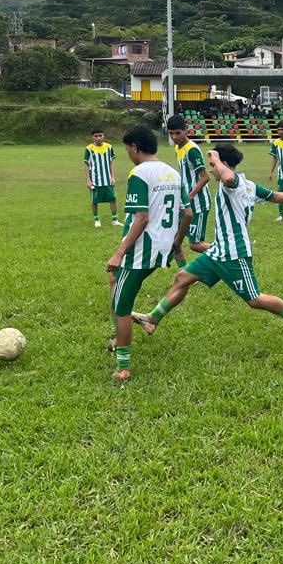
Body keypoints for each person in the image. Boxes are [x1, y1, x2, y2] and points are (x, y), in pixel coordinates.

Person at [132, 143, 283, 345]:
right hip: (217, 252)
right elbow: (276, 196)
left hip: (233, 252)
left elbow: (229, 177)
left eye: (213, 165)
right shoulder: (248, 184)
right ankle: (152, 319)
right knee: (182, 277)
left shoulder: (233, 183)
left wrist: (214, 157)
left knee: (255, 299)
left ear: (222, 163)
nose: (211, 169)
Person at [105, 125, 184, 382]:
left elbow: (140, 217)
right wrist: (176, 242)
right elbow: (188, 213)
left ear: (135, 148)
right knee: (115, 280)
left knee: (122, 306)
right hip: (162, 247)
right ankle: (119, 337)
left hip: (142, 249)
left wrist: (119, 252)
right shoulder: (173, 173)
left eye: (128, 149)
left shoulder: (139, 173)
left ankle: (123, 366)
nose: (128, 154)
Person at [166, 115, 211, 261]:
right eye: (171, 133)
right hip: (185, 202)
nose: (174, 137)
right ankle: (184, 275)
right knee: (174, 240)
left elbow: (205, 177)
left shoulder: (192, 150)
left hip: (199, 203)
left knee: (195, 245)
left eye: (177, 133)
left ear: (186, 131)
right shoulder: (178, 148)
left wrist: (190, 196)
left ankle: (225, 252)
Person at [83, 128, 121, 228]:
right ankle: (96, 220)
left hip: (107, 179)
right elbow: (86, 165)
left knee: (113, 199)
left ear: (103, 136)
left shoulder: (109, 147)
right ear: (92, 137)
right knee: (94, 201)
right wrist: (88, 180)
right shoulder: (89, 149)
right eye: (96, 136)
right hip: (95, 180)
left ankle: (115, 220)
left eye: (100, 136)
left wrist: (113, 177)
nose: (98, 138)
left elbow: (111, 163)